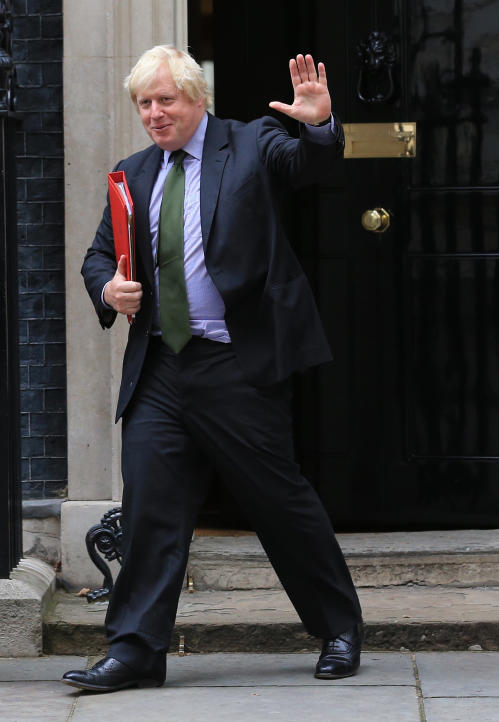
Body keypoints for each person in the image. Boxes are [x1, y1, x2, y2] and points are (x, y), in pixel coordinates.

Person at [63, 46, 363, 693]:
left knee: (279, 503)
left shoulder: (250, 145)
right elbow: (97, 257)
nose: (153, 113)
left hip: (236, 362)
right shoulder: (133, 173)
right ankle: (136, 649)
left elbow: (308, 164)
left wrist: (316, 126)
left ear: (197, 97)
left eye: (165, 100)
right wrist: (109, 292)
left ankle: (339, 627)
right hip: (161, 366)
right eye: (143, 103)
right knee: (149, 507)